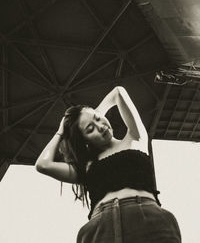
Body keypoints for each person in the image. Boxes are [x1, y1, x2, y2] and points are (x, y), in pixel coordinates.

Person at [35, 86, 182, 242]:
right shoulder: (87, 165)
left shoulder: (135, 138)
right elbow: (43, 165)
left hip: (148, 218)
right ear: (85, 140)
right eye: (90, 129)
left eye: (98, 119)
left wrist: (90, 115)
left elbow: (118, 92)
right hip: (100, 227)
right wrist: (61, 131)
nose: (100, 127)